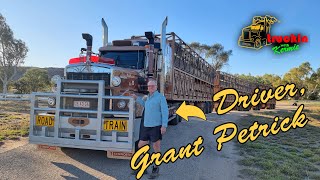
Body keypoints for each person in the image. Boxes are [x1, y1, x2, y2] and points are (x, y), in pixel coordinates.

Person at [131, 79, 169, 179]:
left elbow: (165, 112)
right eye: (149, 86)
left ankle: (156, 168)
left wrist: (164, 125)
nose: (150, 87)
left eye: (152, 86)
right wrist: (136, 98)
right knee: (141, 145)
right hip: (146, 126)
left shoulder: (160, 97)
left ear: (156, 86)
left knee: (156, 147)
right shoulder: (148, 97)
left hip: (156, 126)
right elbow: (145, 106)